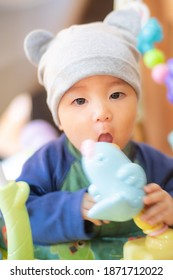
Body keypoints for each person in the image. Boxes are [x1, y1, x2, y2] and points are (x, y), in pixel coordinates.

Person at [12, 8, 173, 259]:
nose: (102, 113)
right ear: (60, 119)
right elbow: (18, 216)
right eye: (79, 101)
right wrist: (73, 209)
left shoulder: (154, 164)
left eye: (116, 95)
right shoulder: (48, 163)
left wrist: (169, 209)